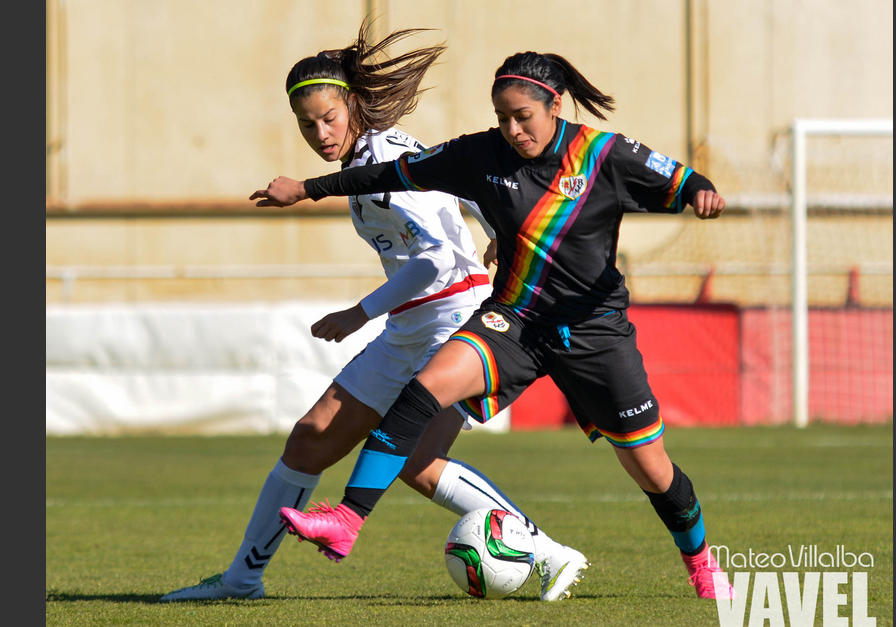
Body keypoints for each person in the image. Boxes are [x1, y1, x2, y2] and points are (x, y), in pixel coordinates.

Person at [253, 50, 736, 601]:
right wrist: (309, 190)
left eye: (523, 116)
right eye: (502, 117)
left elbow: (679, 178)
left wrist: (701, 192)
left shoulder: (602, 153)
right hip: (514, 321)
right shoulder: (481, 152)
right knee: (425, 388)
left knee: (651, 469)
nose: (512, 129)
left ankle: (700, 563)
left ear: (554, 105)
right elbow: (391, 173)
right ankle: (348, 519)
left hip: (593, 331)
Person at [160, 29, 588, 603]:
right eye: (307, 125)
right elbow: (463, 190)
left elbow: (434, 259)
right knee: (311, 439)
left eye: (329, 118)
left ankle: (551, 552)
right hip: (411, 325)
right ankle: (242, 580)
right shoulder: (374, 155)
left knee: (417, 459)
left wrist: (358, 312)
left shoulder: (383, 160)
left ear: (353, 106)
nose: (321, 133)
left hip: (453, 320)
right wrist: (493, 232)